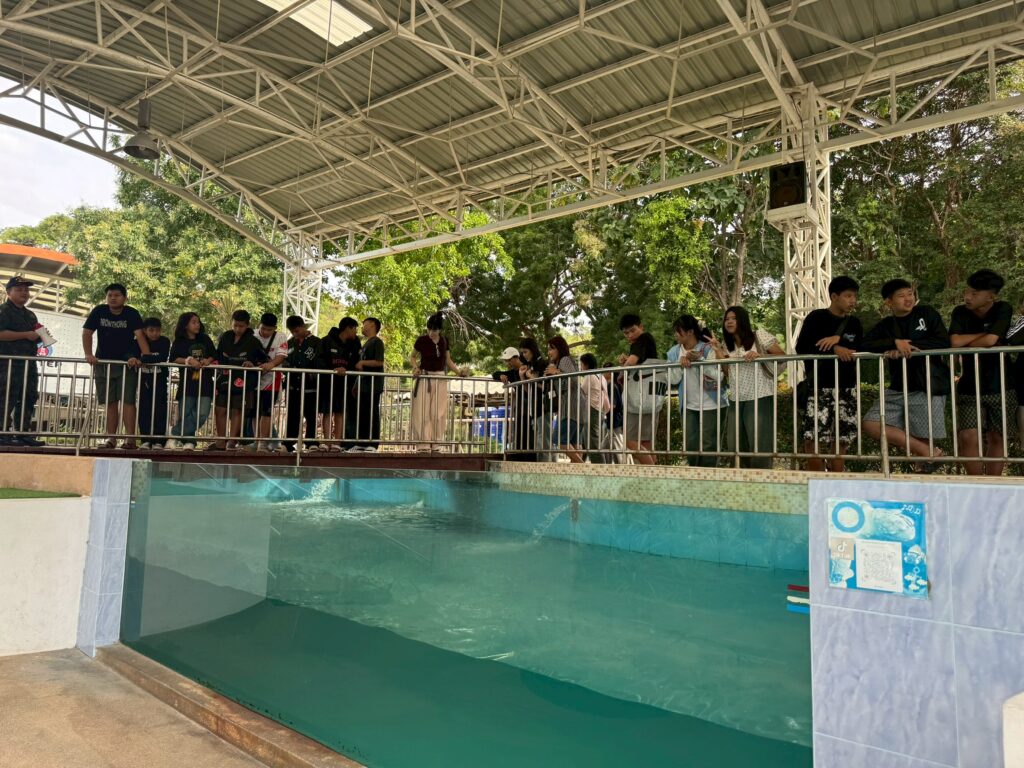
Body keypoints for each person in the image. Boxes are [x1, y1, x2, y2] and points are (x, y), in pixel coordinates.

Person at [861, 279, 951, 467]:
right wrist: (894, 343)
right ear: (889, 302)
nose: (908, 298)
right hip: (898, 387)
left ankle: (924, 467)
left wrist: (908, 347)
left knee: (923, 435)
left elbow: (943, 341)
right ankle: (929, 453)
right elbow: (864, 344)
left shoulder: (927, 313)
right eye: (901, 296)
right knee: (871, 423)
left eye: (910, 294)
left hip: (927, 383)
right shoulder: (887, 324)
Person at [949, 269, 1016, 476]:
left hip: (1001, 384)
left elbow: (991, 340)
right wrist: (986, 335)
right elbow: (955, 342)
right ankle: (975, 483)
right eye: (967, 292)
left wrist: (974, 340)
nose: (968, 297)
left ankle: (993, 483)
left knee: (998, 436)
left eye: (974, 293)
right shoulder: (960, 312)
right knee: (968, 436)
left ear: (990, 296)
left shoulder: (1003, 308)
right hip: (969, 385)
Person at [794, 276, 863, 472]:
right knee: (813, 438)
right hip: (819, 386)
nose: (852, 300)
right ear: (834, 296)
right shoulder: (816, 318)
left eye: (854, 296)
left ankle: (837, 479)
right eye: (848, 296)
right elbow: (802, 347)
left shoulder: (854, 323)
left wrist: (839, 340)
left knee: (842, 439)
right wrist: (833, 349)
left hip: (847, 387)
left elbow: (861, 346)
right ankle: (817, 480)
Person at [82, 283, 149, 449]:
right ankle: (111, 438)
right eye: (110, 295)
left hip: (127, 364)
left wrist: (146, 357)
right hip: (103, 363)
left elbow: (140, 336)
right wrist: (88, 354)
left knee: (128, 401)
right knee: (110, 402)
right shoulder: (99, 311)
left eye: (117, 295)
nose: (113, 298)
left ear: (125, 298)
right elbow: (87, 332)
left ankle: (130, 439)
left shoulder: (131, 313)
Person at [721, 305, 785, 469]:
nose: (729, 322)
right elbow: (728, 373)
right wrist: (717, 352)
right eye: (727, 319)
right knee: (735, 445)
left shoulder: (759, 335)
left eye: (733, 318)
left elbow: (782, 356)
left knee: (760, 445)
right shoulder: (726, 344)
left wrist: (759, 355)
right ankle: (740, 479)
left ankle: (761, 479)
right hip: (736, 397)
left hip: (759, 395)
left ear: (742, 320)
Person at [667, 315, 727, 468]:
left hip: (712, 404)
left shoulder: (707, 348)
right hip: (689, 406)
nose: (676, 335)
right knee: (690, 445)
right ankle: (694, 475)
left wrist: (699, 361)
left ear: (690, 332)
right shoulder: (674, 352)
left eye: (678, 331)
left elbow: (718, 376)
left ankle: (708, 476)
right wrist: (680, 364)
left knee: (709, 445)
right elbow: (672, 380)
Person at [210, 310, 267, 450]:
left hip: (244, 380)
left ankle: (232, 441)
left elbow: (262, 360)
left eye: (241, 326)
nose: (237, 329)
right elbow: (218, 355)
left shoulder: (253, 341)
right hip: (224, 378)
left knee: (238, 410)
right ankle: (220, 440)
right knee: (220, 409)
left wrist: (252, 364)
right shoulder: (225, 336)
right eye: (235, 325)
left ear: (247, 325)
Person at [0, 275, 45, 447]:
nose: (24, 293)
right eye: (19, 289)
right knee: (6, 396)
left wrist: (40, 336)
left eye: (26, 290)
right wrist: (26, 334)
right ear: (9, 292)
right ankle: (2, 432)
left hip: (28, 363)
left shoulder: (30, 315)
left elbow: (32, 337)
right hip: (8, 363)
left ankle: (22, 433)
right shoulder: (4, 311)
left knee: (29, 396)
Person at [409, 313, 464, 451]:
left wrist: (459, 372)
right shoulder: (422, 340)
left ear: (440, 330)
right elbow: (413, 356)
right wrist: (415, 368)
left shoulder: (444, 341)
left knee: (438, 412)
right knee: (422, 411)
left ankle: (437, 443)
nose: (431, 333)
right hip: (425, 377)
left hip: (440, 378)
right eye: (429, 329)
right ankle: (423, 444)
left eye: (434, 330)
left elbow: (448, 360)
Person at [165, 313, 217, 450]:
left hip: (205, 382)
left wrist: (208, 360)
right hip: (187, 383)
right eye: (193, 322)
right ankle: (189, 442)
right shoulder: (179, 341)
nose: (197, 325)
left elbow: (214, 354)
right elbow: (173, 358)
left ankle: (175, 432)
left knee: (202, 413)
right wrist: (188, 360)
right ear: (185, 325)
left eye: (198, 322)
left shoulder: (205, 338)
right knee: (185, 413)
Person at [618, 313, 662, 465]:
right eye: (626, 333)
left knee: (630, 440)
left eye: (632, 330)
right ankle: (650, 474)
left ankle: (653, 471)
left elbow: (632, 362)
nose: (630, 335)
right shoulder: (645, 341)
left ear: (641, 327)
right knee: (646, 443)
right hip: (650, 396)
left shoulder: (643, 338)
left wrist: (621, 372)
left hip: (640, 398)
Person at [319, 317, 361, 451]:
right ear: (348, 328)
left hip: (345, 384)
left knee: (340, 411)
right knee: (327, 411)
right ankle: (327, 442)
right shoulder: (326, 341)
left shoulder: (355, 343)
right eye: (355, 329)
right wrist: (333, 370)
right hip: (327, 382)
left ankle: (337, 442)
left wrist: (347, 371)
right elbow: (319, 361)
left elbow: (356, 362)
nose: (356, 332)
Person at [249, 313, 289, 452]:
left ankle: (263, 443)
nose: (265, 332)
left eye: (269, 330)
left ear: (275, 328)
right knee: (254, 412)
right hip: (254, 379)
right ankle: (256, 441)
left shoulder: (281, 337)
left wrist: (271, 364)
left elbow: (281, 356)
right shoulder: (252, 335)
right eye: (263, 328)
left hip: (272, 379)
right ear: (259, 325)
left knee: (266, 411)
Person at [283, 315, 322, 452]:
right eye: (292, 332)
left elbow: (320, 362)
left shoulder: (317, 342)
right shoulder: (289, 343)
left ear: (303, 327)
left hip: (310, 387)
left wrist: (312, 374)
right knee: (292, 415)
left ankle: (311, 442)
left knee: (311, 415)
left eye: (297, 331)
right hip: (293, 386)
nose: (295, 334)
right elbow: (284, 361)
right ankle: (288, 442)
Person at [545, 335, 583, 463]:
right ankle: (580, 470)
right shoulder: (560, 362)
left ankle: (583, 466)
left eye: (552, 349)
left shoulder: (564, 360)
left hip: (571, 406)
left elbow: (574, 380)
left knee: (559, 440)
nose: (549, 352)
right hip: (575, 406)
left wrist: (556, 372)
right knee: (575, 442)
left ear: (559, 348)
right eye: (548, 349)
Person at [350, 317, 385, 451]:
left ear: (372, 325)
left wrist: (363, 362)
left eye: (364, 324)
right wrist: (356, 384)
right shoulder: (366, 343)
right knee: (362, 413)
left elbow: (379, 362)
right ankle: (362, 442)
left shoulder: (377, 342)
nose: (362, 327)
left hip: (373, 384)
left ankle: (373, 443)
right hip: (363, 384)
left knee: (372, 413)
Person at [136, 318, 170, 449]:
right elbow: (132, 355)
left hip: (160, 381)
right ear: (144, 331)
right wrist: (139, 358)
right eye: (151, 330)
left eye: (157, 330)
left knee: (160, 409)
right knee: (144, 409)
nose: (155, 333)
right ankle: (145, 439)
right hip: (144, 381)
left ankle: (159, 440)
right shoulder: (138, 342)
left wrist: (144, 358)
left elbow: (162, 357)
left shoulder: (164, 341)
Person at [514, 338, 546, 461]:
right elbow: (529, 391)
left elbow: (547, 388)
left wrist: (533, 379)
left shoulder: (543, 364)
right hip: (535, 408)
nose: (524, 355)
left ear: (533, 350)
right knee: (538, 439)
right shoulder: (531, 365)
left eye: (525, 352)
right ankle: (540, 465)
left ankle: (546, 465)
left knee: (543, 440)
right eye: (522, 352)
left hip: (544, 407)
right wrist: (522, 377)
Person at [578, 353, 611, 463]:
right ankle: (580, 463)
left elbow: (582, 392)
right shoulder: (601, 376)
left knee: (592, 443)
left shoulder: (589, 376)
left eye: (581, 364)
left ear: (586, 364)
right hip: (600, 410)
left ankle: (600, 466)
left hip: (591, 410)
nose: (581, 367)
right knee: (587, 441)